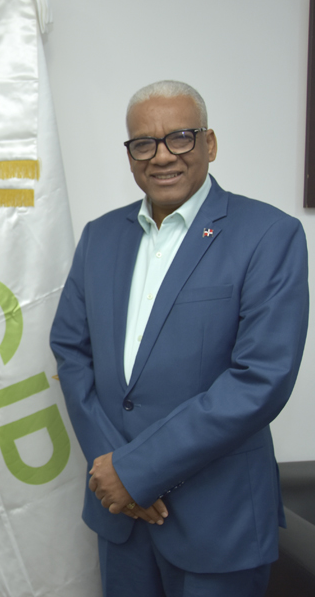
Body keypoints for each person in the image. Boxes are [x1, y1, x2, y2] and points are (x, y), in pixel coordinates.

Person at [50, 80, 309, 596]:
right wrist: (116, 476)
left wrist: (138, 470)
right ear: (129, 155)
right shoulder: (100, 237)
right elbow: (71, 351)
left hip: (220, 522)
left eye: (181, 138)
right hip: (121, 521)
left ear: (209, 144)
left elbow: (261, 379)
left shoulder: (269, 234)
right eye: (143, 143)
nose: (161, 156)